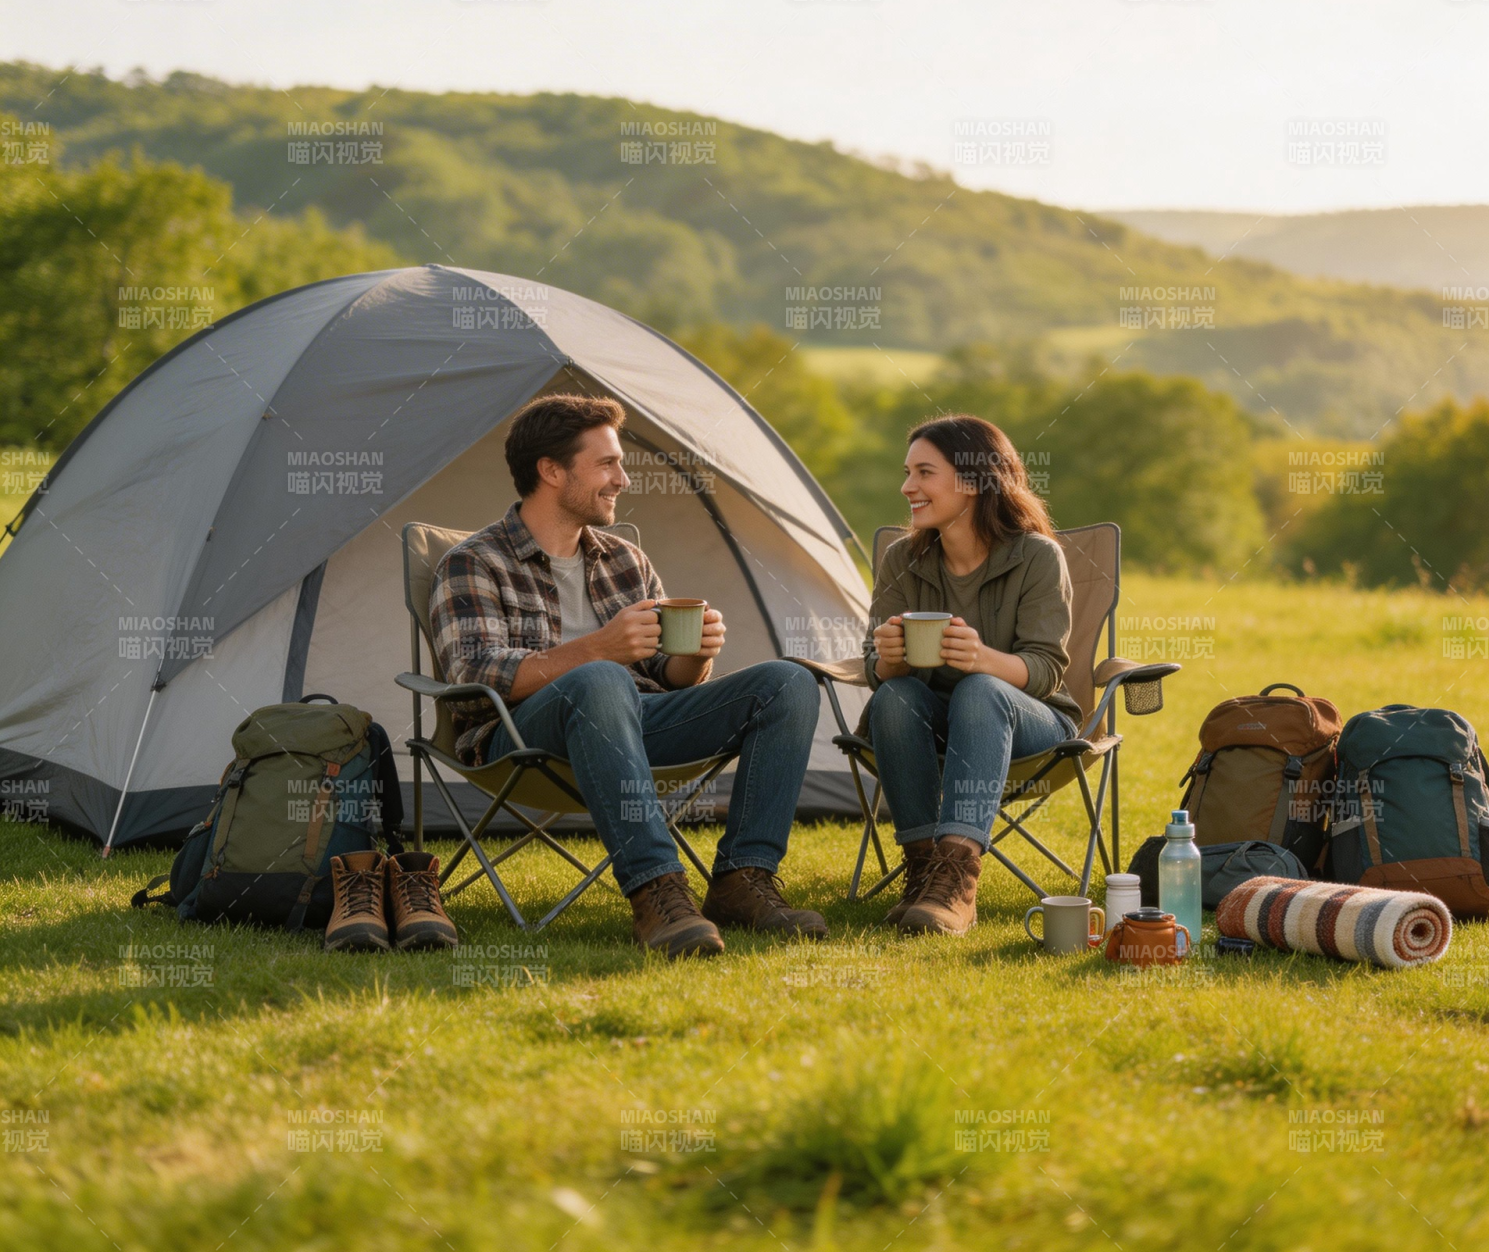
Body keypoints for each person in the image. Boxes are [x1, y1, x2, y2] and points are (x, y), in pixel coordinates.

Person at [429, 394, 827, 957]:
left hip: (635, 723)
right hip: (521, 734)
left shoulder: (624, 560)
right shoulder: (473, 562)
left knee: (788, 682)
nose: (623, 479)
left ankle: (744, 880)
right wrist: (597, 650)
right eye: (608, 464)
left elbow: (666, 675)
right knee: (601, 678)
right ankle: (657, 891)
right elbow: (472, 674)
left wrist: (696, 656)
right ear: (551, 470)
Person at [863, 415, 1080, 936]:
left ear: (974, 480)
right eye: (907, 472)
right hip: (935, 720)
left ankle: (957, 876)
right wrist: (888, 658)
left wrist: (982, 658)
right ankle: (923, 873)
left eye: (924, 472)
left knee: (982, 689)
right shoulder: (903, 558)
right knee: (894, 696)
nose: (907, 487)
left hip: (1034, 723)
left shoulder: (1035, 556)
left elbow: (1046, 670)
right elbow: (877, 671)